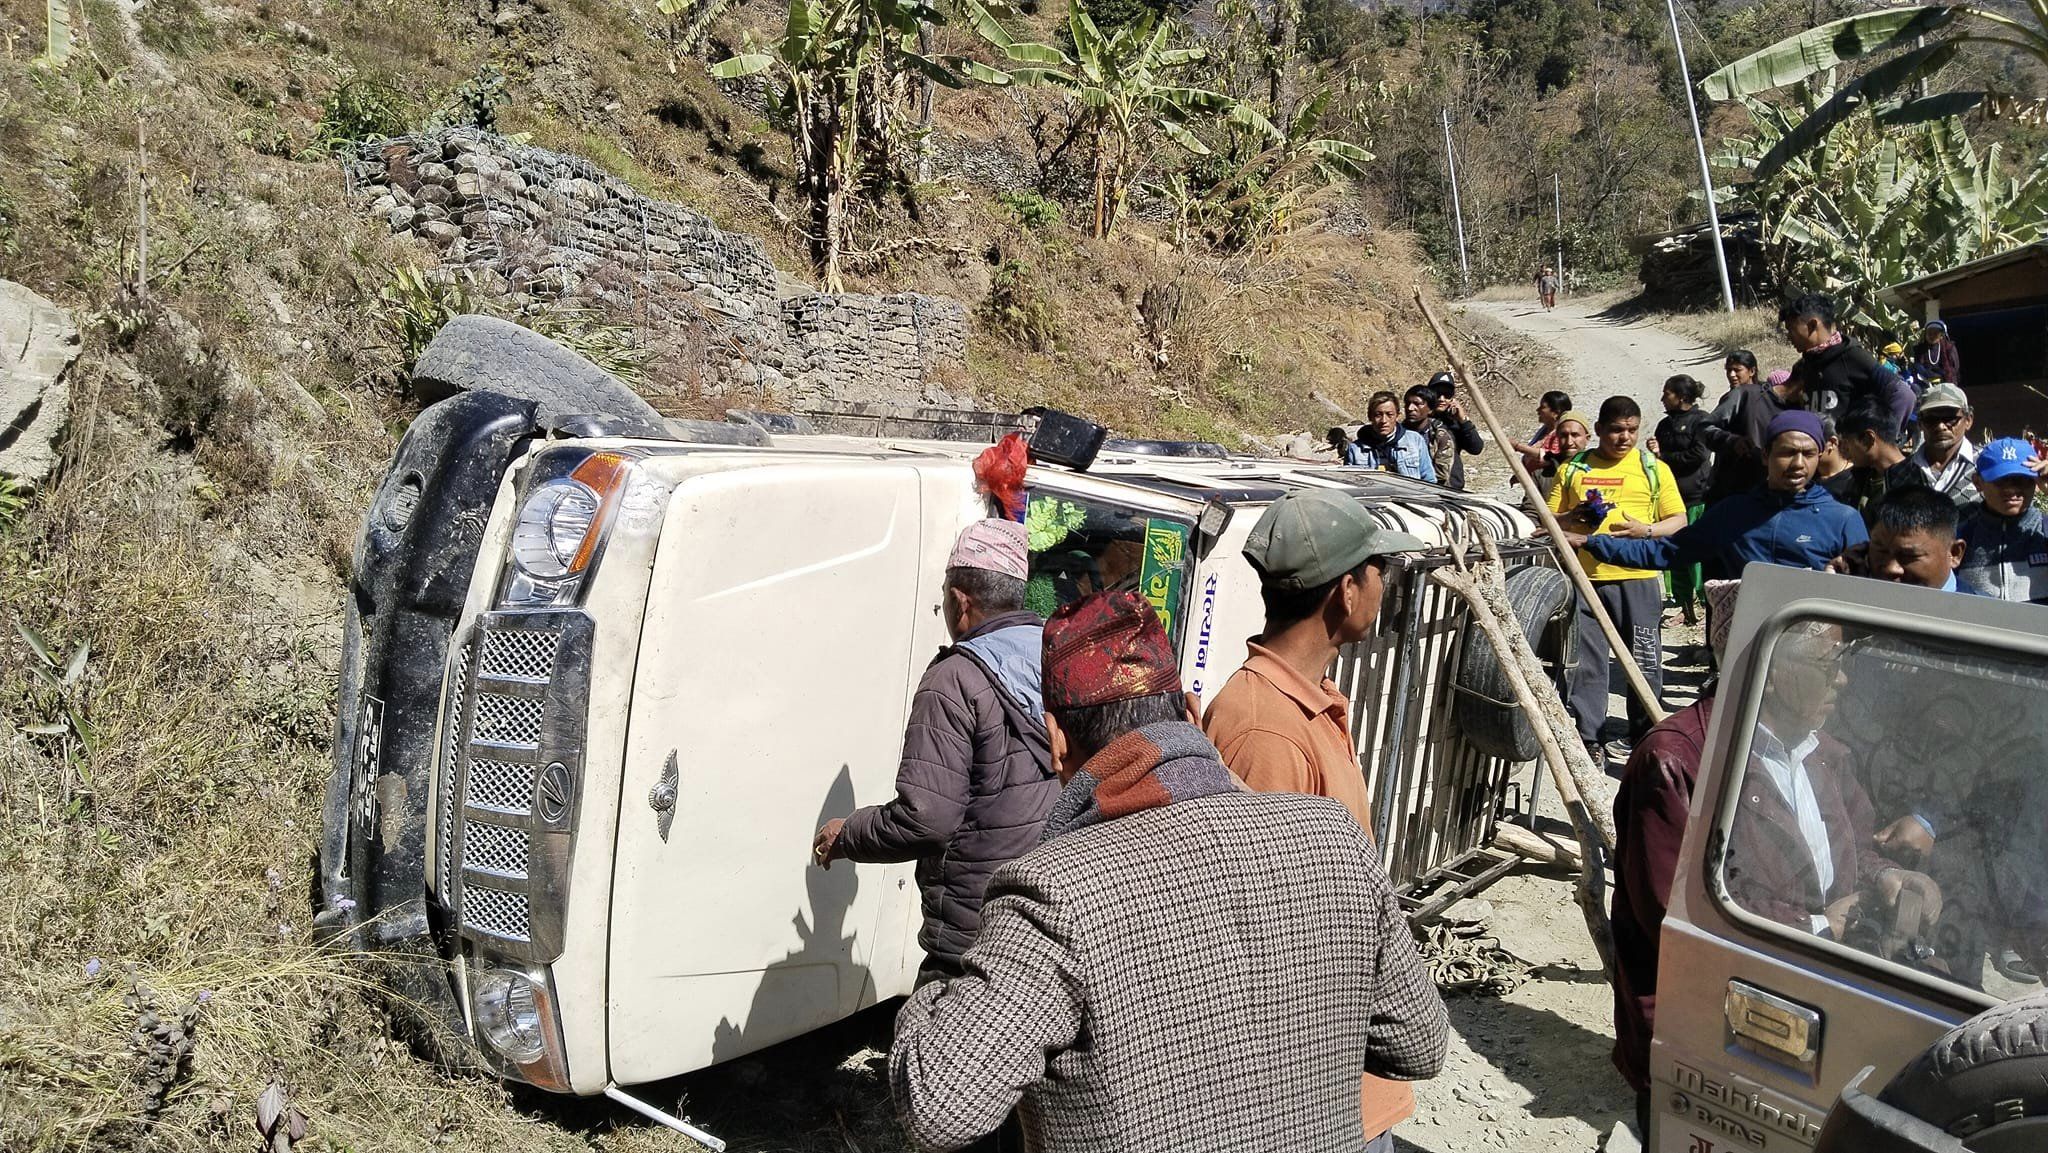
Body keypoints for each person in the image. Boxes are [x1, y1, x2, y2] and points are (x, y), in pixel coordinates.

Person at [888, 591, 1450, 1153]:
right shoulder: (1335, 838)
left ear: (1056, 740)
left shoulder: (1054, 894)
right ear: (1190, 711)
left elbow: (939, 1106)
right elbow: (1421, 1043)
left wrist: (938, 989)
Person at [1202, 489, 1429, 1149]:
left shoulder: (1309, 701)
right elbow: (1259, 932)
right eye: (1379, 570)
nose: (1385, 585)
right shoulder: (1263, 728)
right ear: (1345, 591)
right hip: (1314, 1095)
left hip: (1345, 1063)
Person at [813, 520, 1057, 986]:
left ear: (961, 600)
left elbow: (926, 819)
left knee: (941, 1056)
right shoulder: (1054, 657)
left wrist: (848, 833)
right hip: (1045, 917)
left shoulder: (956, 679)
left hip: (974, 934)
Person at [1611, 579, 1740, 1136]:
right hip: (1696, 1023)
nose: (1840, 678)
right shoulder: (1673, 760)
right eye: (1824, 661)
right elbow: (1672, 912)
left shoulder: (1809, 747)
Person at [1723, 624, 1934, 939]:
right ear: (1769, 673)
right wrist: (1815, 928)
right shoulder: (1705, 763)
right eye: (1827, 665)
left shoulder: (1823, 753)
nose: (1841, 679)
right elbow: (1701, 897)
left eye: (1842, 663)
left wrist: (1886, 875)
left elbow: (1852, 848)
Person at [1548, 396, 1686, 760]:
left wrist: (1647, 529)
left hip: (1638, 578)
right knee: (1589, 663)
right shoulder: (1573, 469)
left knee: (1644, 660)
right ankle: (1589, 736)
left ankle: (1643, 735)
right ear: (1599, 430)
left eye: (1632, 430)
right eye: (1616, 430)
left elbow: (1679, 520)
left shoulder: (1652, 467)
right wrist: (1571, 517)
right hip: (1587, 578)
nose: (1624, 438)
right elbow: (1545, 523)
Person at [1573, 410, 1866, 579]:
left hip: (1819, 660)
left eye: (1808, 453)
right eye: (1787, 453)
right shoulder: (1734, 512)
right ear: (1766, 455)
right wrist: (1591, 542)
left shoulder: (1842, 520)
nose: (1798, 463)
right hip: (1746, 651)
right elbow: (1667, 552)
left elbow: (1866, 590)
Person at [1780, 293, 1914, 431]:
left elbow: (1903, 395)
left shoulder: (1853, 357)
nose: (1789, 336)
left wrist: (1883, 443)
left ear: (1813, 325)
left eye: (1791, 329)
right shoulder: (1806, 365)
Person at [1652, 375, 1714, 626]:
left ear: (1682, 397)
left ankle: (1702, 605)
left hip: (1696, 498)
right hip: (1670, 501)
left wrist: (1664, 455)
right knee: (1674, 554)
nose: (1662, 399)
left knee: (1696, 557)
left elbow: (1699, 454)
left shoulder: (1702, 421)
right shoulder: (1664, 425)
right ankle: (1684, 607)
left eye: (1667, 394)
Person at [1957, 437, 2048, 603]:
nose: (2012, 489)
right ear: (1978, 483)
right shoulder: (1961, 538)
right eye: (2001, 480)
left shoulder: (2044, 530)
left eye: (2022, 480)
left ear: (2036, 481)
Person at [1701, 361, 1798, 505]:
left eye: (1736, 370)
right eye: (1729, 370)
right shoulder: (1745, 395)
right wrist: (1731, 441)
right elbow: (1704, 427)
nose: (1732, 375)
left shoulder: (1799, 410)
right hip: (1734, 495)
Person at [1835, 396, 1929, 524]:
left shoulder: (1914, 481)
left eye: (1847, 442)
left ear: (1868, 439)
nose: (1844, 450)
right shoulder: (1860, 478)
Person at [1865, 485, 1970, 592]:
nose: (1891, 568)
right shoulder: (1855, 594)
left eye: (1909, 556)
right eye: (1881, 551)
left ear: (1954, 553)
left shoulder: (1981, 608)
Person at [1908, 382, 1981, 515]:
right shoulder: (1899, 474)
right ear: (1920, 423)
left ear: (1968, 420)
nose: (1941, 426)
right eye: (1931, 419)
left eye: (1950, 418)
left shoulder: (1988, 465)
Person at [1354, 391, 1437, 481]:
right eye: (1378, 415)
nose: (1384, 421)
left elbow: (1429, 480)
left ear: (1397, 416)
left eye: (1389, 415)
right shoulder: (1355, 449)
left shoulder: (1415, 441)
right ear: (1370, 417)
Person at [1426, 372, 1487, 491]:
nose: (1441, 399)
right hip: (1424, 487)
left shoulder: (1455, 424)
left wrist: (1463, 420)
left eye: (1447, 394)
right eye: (1437, 393)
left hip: (1452, 488)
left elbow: (1476, 448)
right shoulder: (1420, 421)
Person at [1513, 389, 1573, 471]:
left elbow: (1549, 457)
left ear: (1556, 413)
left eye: (1543, 407)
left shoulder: (1560, 434)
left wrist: (1518, 447)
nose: (1538, 410)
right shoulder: (1545, 431)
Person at [1911, 319, 1961, 386]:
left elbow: (1954, 368)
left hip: (1946, 382)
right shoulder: (1920, 349)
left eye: (1935, 333)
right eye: (1929, 333)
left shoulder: (1949, 348)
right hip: (1925, 382)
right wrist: (1928, 374)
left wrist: (1941, 375)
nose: (1932, 336)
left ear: (1941, 335)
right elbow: (1918, 365)